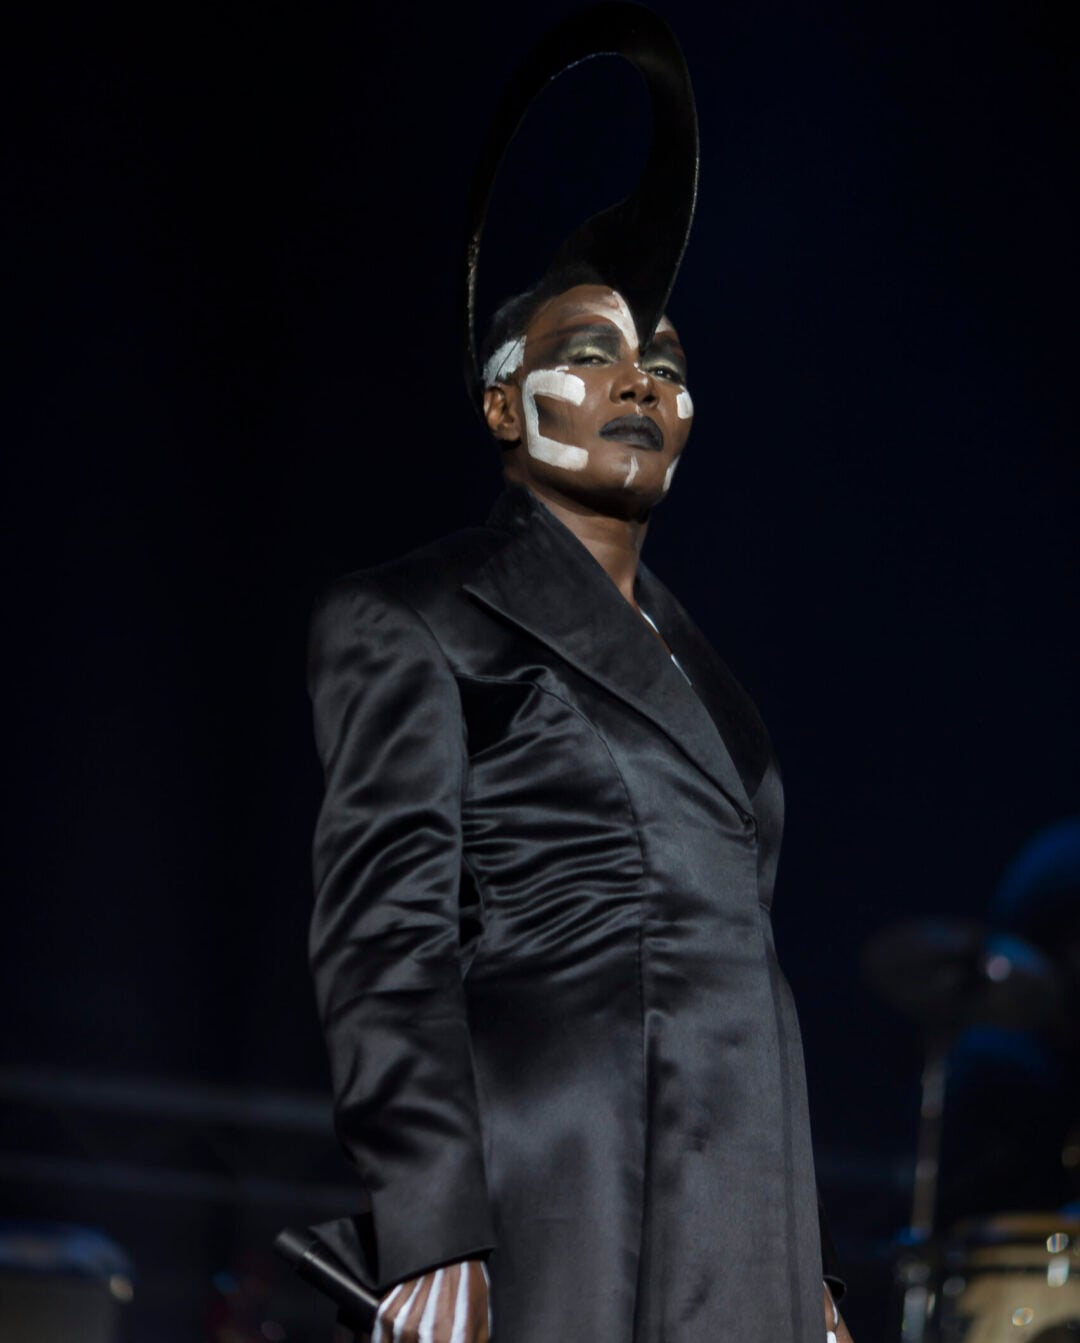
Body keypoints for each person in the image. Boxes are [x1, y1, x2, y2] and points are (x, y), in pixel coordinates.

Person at [300, 9, 851, 1341]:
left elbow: (740, 976)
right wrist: (433, 1224)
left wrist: (806, 1273)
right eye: (592, 354)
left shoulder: (702, 666)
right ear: (504, 403)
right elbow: (384, 937)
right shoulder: (415, 615)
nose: (638, 383)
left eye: (664, 364)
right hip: (569, 1178)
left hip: (741, 1210)